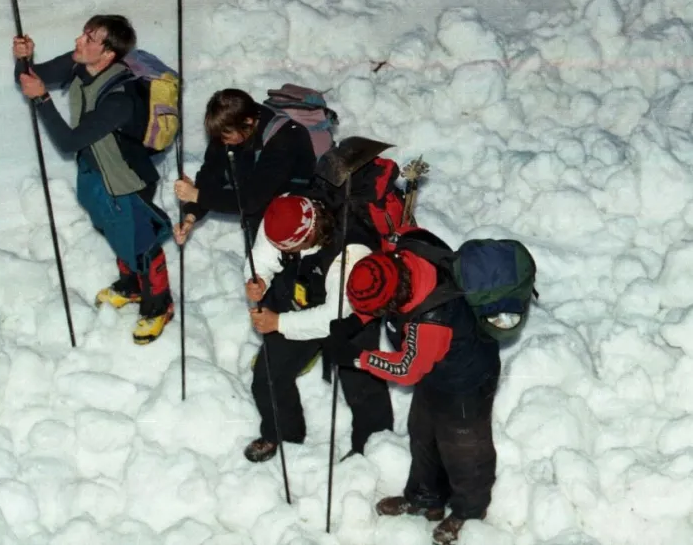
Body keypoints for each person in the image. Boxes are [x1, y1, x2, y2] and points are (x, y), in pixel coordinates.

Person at [324, 229, 501, 545]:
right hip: (435, 370)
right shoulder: (401, 258)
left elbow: (406, 369)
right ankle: (425, 497)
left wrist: (357, 357)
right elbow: (380, 290)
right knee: (423, 434)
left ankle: (469, 511)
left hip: (465, 380)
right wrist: (355, 320)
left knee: (464, 449)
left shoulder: (430, 319)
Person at [13, 14, 174, 345]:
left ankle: (160, 305)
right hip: (94, 170)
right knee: (110, 227)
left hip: (126, 178)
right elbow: (31, 79)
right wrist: (23, 60)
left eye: (90, 39)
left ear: (108, 54)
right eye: (83, 34)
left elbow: (68, 141)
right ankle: (130, 286)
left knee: (140, 242)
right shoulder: (78, 65)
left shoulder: (121, 99)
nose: (79, 41)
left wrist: (42, 99)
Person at [241, 194, 394, 462]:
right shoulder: (282, 210)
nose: (283, 254)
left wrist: (278, 322)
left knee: (361, 386)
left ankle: (371, 448)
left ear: (307, 236)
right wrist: (258, 279)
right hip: (302, 297)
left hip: (351, 315)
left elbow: (334, 316)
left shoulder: (350, 253)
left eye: (288, 248)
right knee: (268, 376)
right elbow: (262, 257)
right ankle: (285, 434)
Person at [173, 88, 316, 246]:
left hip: (296, 224)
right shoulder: (230, 128)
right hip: (258, 218)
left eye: (226, 136)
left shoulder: (285, 139)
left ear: (248, 122)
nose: (223, 142)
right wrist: (191, 216)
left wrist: (197, 195)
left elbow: (251, 200)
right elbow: (212, 174)